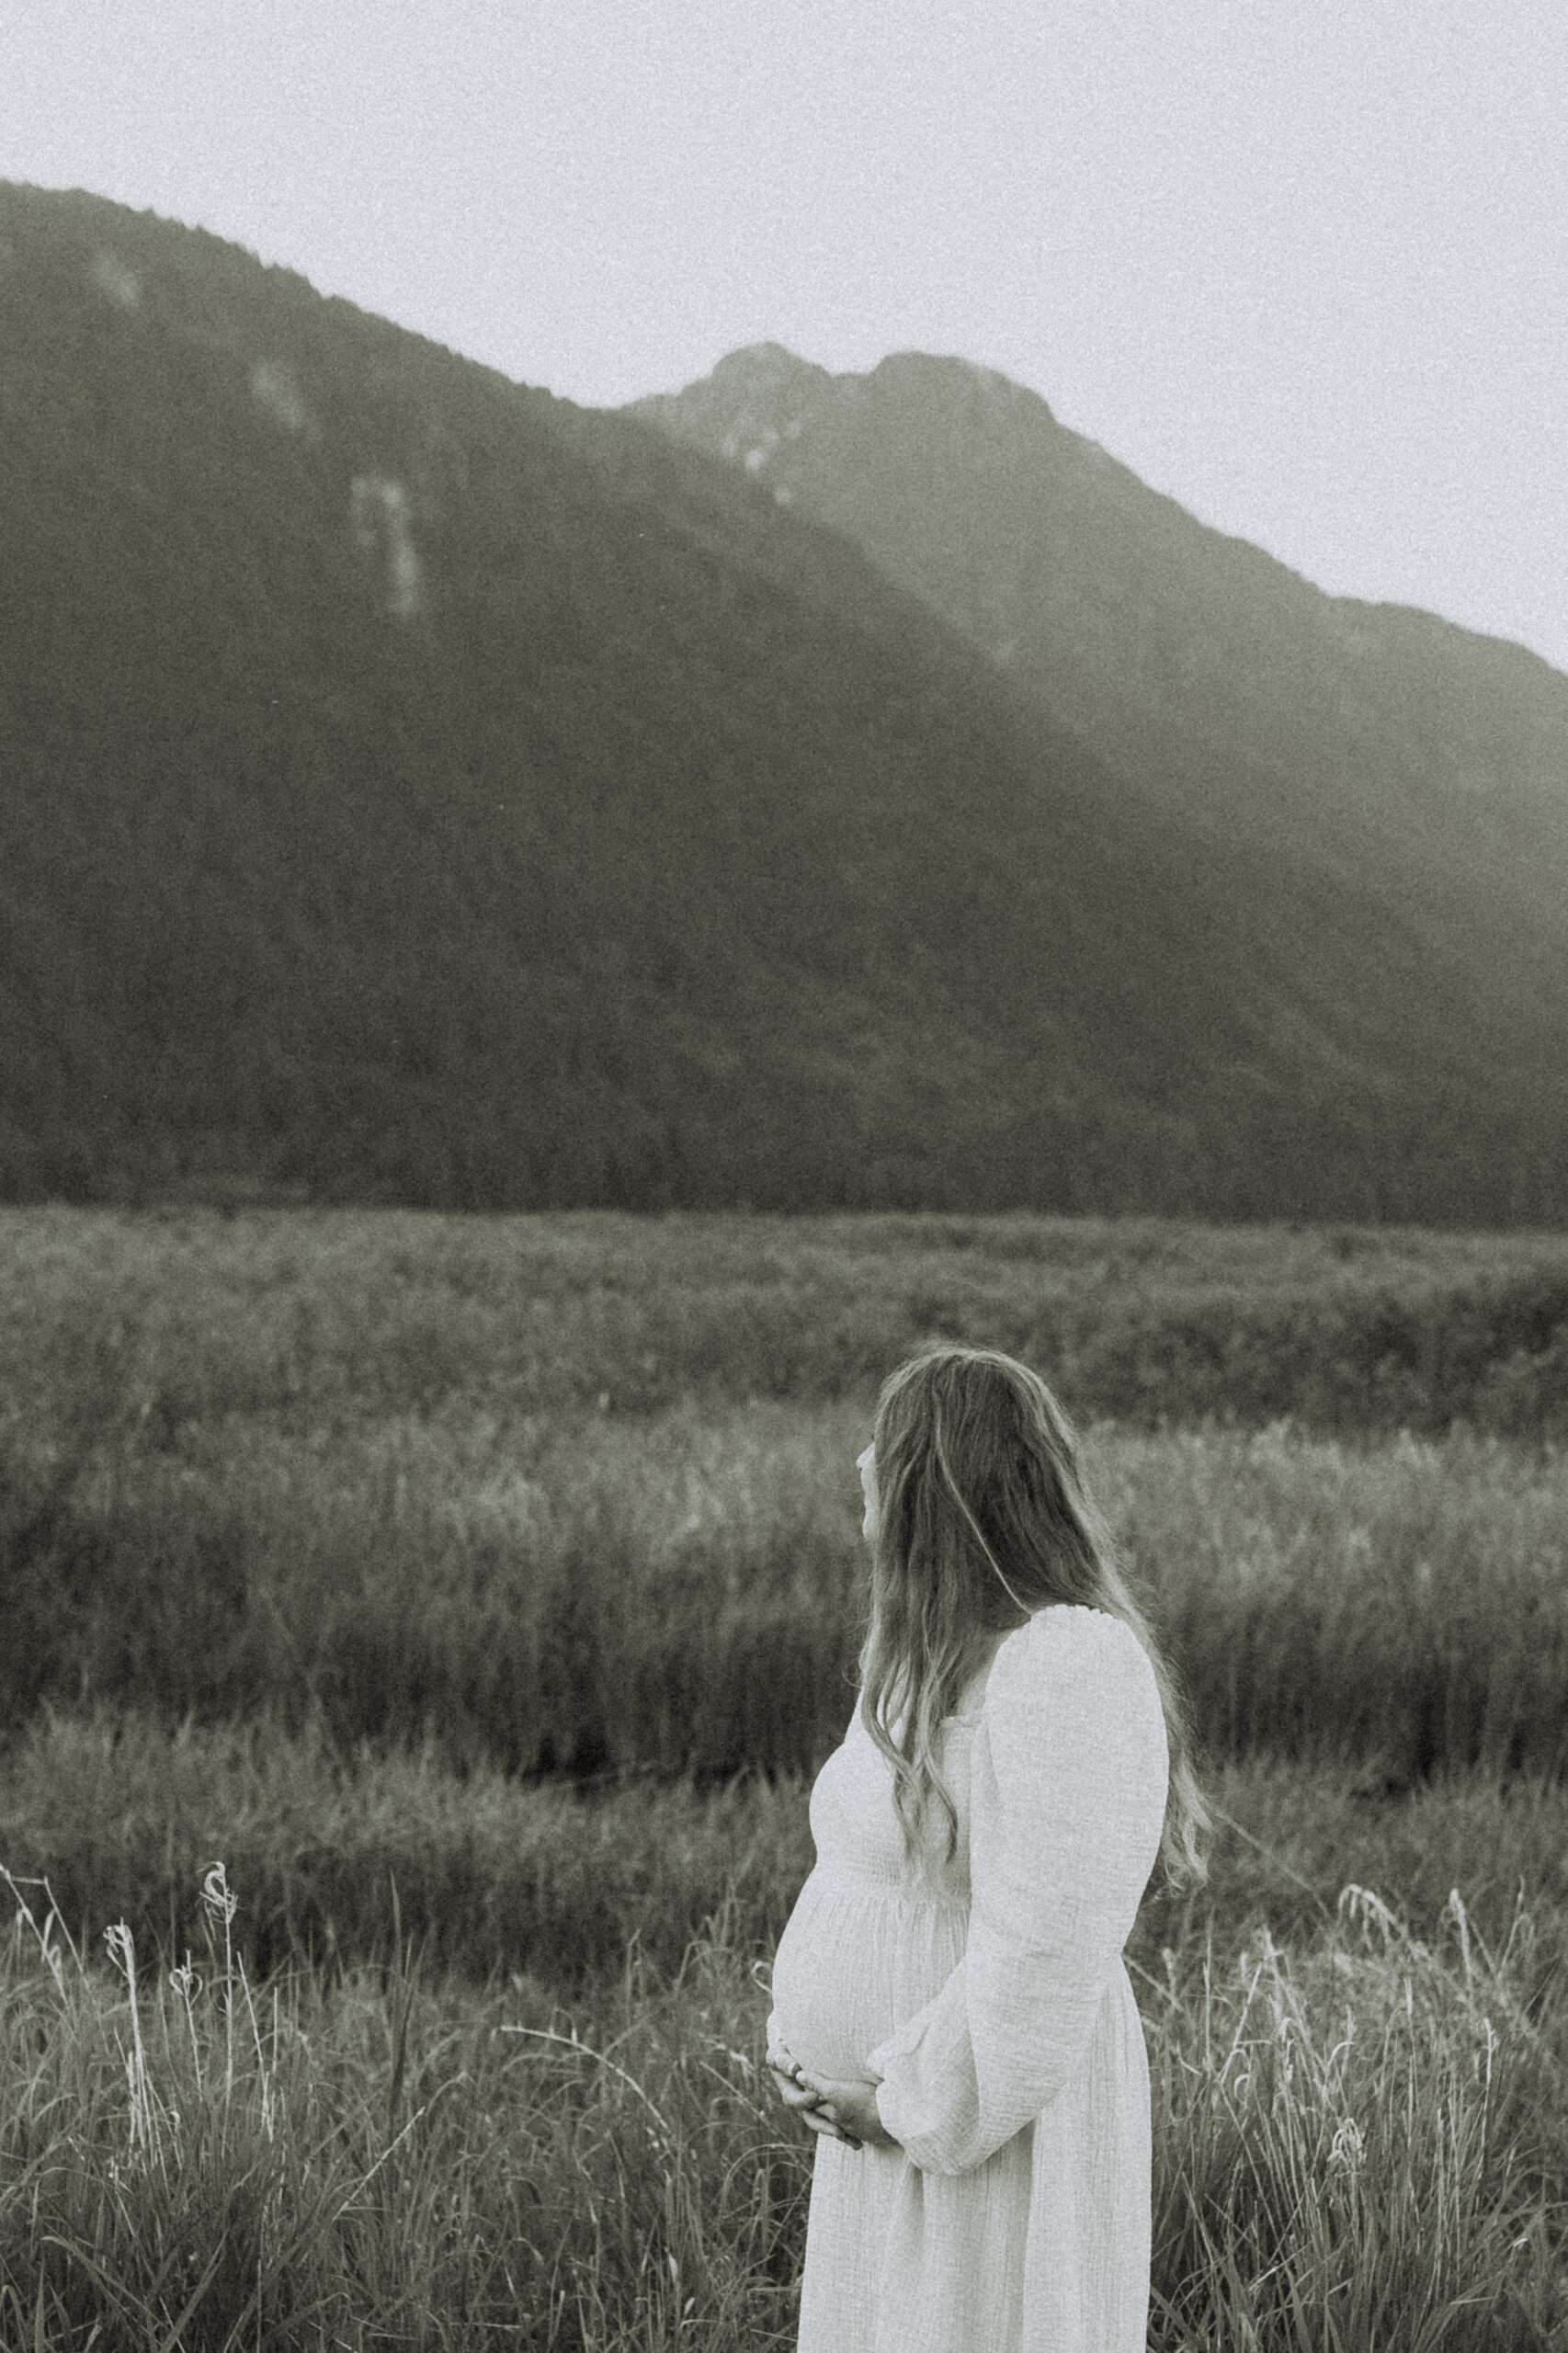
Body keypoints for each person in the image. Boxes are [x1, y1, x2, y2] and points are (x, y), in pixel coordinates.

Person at [765, 1345, 1210, 2353]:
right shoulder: (918, 1667)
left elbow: (1047, 1943)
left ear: (931, 1479)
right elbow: (859, 1881)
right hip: (886, 2136)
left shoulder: (1064, 1660)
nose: (858, 1463)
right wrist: (804, 2043)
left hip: (990, 2131)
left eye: (882, 1444)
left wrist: (911, 2102)